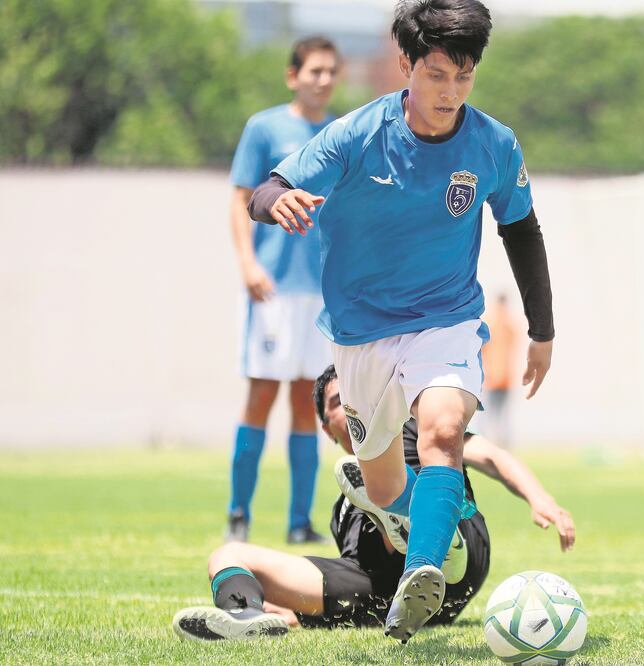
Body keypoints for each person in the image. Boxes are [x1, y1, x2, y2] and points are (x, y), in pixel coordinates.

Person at [246, 0, 555, 642]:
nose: (450, 92)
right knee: (386, 486)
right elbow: (264, 190)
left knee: (442, 428)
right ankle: (423, 513)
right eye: (437, 74)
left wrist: (541, 330)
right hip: (359, 336)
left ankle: (421, 578)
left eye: (464, 77)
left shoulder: (493, 144)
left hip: (445, 319)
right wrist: (280, 204)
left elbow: (522, 229)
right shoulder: (356, 135)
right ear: (407, 65)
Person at [171, 365, 574, 641]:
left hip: (462, 561)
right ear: (327, 429)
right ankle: (246, 614)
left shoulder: (416, 430)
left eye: (352, 394)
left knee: (416, 494)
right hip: (386, 597)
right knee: (228, 554)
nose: (345, 404)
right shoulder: (341, 510)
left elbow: (490, 455)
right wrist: (294, 612)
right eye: (333, 402)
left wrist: (541, 499)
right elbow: (353, 582)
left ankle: (424, 531)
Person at [226, 36, 341, 545]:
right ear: (293, 75)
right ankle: (238, 514)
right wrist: (248, 262)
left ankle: (299, 523)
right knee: (261, 396)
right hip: (272, 290)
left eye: (331, 71)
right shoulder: (264, 127)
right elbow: (240, 200)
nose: (324, 79)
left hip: (321, 294)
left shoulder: (340, 134)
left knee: (307, 403)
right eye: (315, 70)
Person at [481, 294, 519, 448]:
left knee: (502, 417)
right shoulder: (491, 325)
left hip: (505, 379)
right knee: (488, 415)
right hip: (491, 379)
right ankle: (486, 446)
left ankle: (503, 447)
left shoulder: (509, 326)